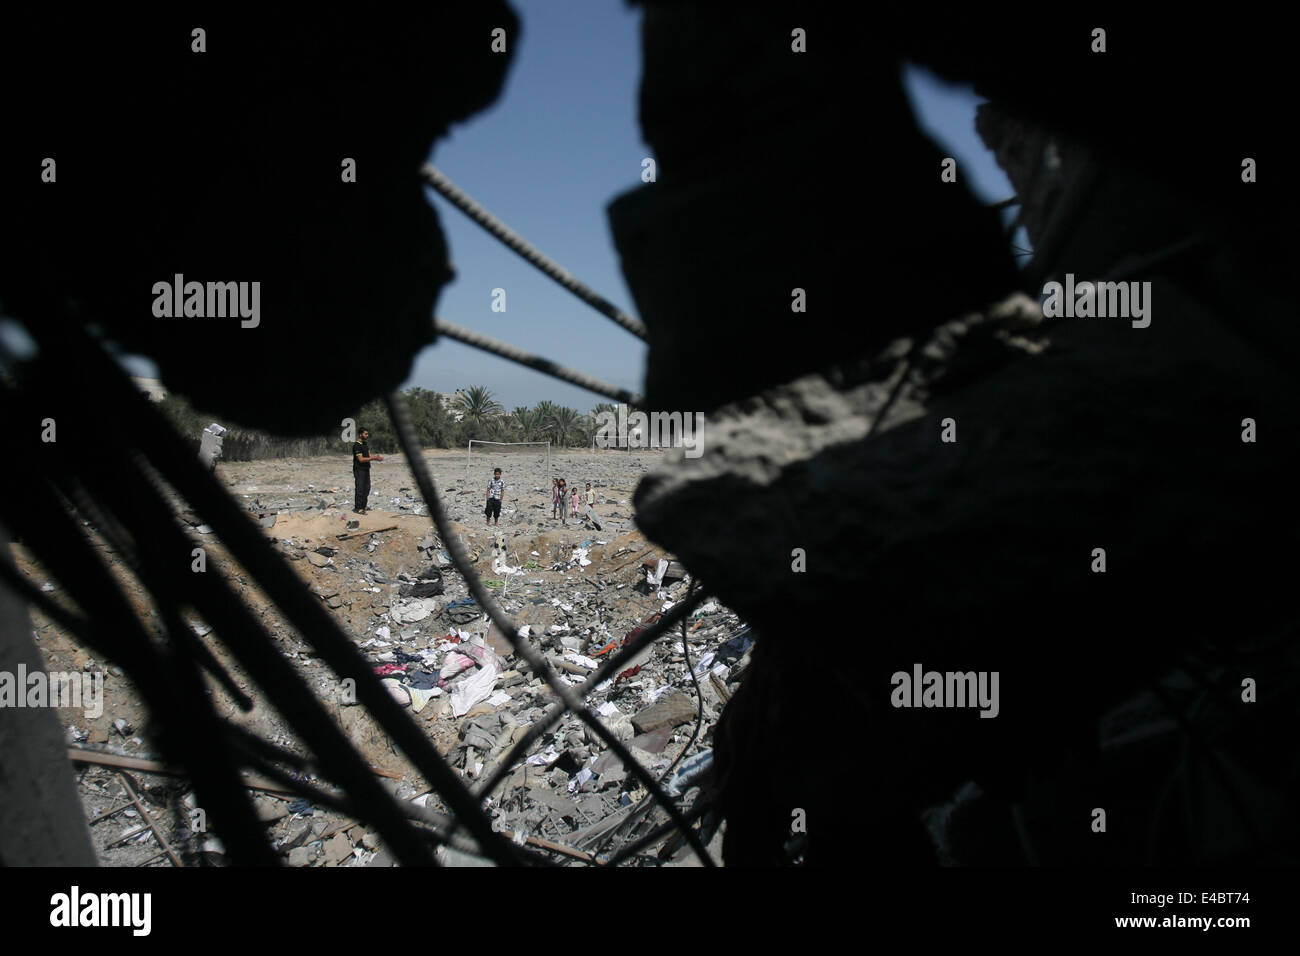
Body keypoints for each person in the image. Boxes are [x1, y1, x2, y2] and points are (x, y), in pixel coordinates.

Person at [352, 428, 383, 514]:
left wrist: (376, 457)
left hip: (366, 469)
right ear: (360, 434)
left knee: (367, 488)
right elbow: (361, 459)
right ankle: (358, 508)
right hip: (359, 469)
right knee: (360, 488)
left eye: (367, 434)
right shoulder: (356, 445)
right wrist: (373, 458)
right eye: (365, 434)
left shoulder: (365, 444)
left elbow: (369, 455)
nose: (367, 435)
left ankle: (364, 505)